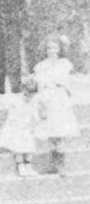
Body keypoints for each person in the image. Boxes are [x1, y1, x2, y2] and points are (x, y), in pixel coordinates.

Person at [33, 36, 80, 176]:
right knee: (50, 135)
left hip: (59, 99)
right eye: (48, 48)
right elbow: (40, 86)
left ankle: (61, 165)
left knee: (60, 134)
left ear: (59, 49)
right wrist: (41, 103)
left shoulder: (64, 64)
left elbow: (67, 84)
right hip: (47, 98)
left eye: (54, 48)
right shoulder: (41, 66)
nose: (51, 51)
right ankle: (53, 164)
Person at [0, 76, 40, 177]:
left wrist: (33, 123)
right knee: (19, 146)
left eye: (32, 94)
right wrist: (17, 123)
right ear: (23, 90)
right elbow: (12, 115)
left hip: (26, 126)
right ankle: (21, 166)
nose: (29, 96)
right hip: (16, 127)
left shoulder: (33, 101)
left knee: (30, 147)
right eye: (28, 93)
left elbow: (34, 114)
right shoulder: (16, 100)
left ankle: (28, 165)